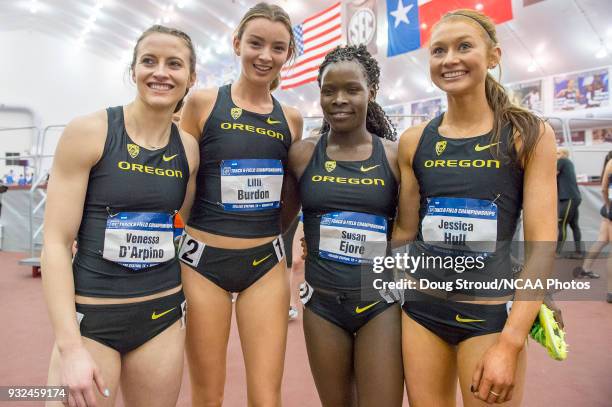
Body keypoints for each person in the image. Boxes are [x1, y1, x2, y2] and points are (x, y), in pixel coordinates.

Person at [394, 9, 557, 406]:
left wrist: (512, 341)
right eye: (439, 51)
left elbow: (541, 245)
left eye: (464, 46)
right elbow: (404, 232)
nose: (450, 59)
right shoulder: (414, 141)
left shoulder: (527, 134)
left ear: (494, 56)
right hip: (420, 312)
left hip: (490, 320)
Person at [42, 25, 199, 407]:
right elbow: (55, 244)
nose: (160, 72)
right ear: (134, 71)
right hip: (92, 320)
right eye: (149, 61)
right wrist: (70, 348)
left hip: (161, 316)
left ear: (190, 77)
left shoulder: (189, 150)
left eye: (174, 64)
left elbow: (179, 226)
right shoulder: (89, 132)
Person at [178, 3, 302, 405]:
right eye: (256, 43)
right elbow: (180, 183)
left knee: (267, 397)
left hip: (264, 266)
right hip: (202, 266)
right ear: (237, 44)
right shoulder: (202, 104)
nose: (265, 55)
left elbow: (289, 197)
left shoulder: (292, 119)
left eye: (278, 48)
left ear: (287, 55)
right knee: (207, 394)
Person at [289, 44, 403, 407]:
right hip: (322, 306)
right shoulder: (304, 154)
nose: (339, 99)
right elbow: (280, 224)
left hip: (379, 303)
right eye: (328, 90)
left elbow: (412, 230)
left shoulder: (395, 156)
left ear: (371, 92)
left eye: (352, 89)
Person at [574, 152, 612, 279]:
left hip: (608, 209)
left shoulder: (607, 166)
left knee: (601, 241)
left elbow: (606, 190)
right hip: (609, 209)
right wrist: (608, 206)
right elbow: (605, 190)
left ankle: (585, 269)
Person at [556, 147, 583, 257]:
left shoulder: (562, 161)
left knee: (561, 224)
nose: (555, 155)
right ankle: (578, 252)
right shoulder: (568, 163)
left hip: (569, 197)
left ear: (564, 154)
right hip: (574, 197)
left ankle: (556, 252)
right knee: (574, 225)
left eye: (558, 153)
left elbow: (551, 174)